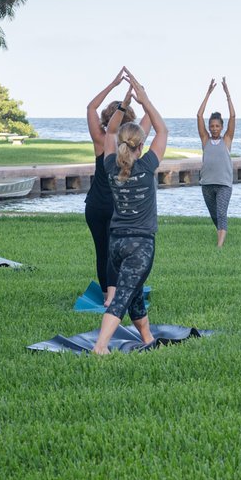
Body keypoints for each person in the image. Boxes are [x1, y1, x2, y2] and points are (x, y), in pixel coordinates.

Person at [92, 74, 168, 355]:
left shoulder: (110, 166)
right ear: (139, 145)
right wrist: (144, 99)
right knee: (123, 296)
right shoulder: (147, 166)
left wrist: (124, 103)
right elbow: (162, 131)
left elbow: (110, 133)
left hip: (117, 245)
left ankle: (147, 338)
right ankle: (100, 346)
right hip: (140, 246)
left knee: (134, 292)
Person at [84, 68, 141, 308]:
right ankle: (114, 295)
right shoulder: (130, 142)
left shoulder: (101, 137)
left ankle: (109, 296)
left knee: (103, 252)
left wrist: (113, 84)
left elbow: (90, 108)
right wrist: (139, 93)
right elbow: (153, 122)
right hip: (119, 205)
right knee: (119, 253)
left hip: (95, 204)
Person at [196, 77, 236, 247]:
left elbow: (233, 115)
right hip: (207, 184)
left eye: (217, 126)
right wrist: (208, 93)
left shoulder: (226, 139)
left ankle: (219, 246)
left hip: (224, 184)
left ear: (222, 127)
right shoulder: (205, 139)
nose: (213, 129)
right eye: (211, 126)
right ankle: (221, 232)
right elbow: (199, 115)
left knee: (221, 213)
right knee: (214, 215)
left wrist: (227, 94)